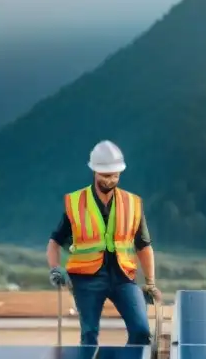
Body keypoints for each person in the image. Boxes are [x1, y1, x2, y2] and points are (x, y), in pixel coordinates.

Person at [47, 140, 162, 346]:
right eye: (106, 176)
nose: (110, 180)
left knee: (142, 332)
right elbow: (54, 242)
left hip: (123, 278)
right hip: (86, 279)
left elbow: (143, 245)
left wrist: (150, 282)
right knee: (89, 334)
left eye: (115, 176)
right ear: (95, 172)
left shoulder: (132, 203)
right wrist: (55, 268)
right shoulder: (76, 202)